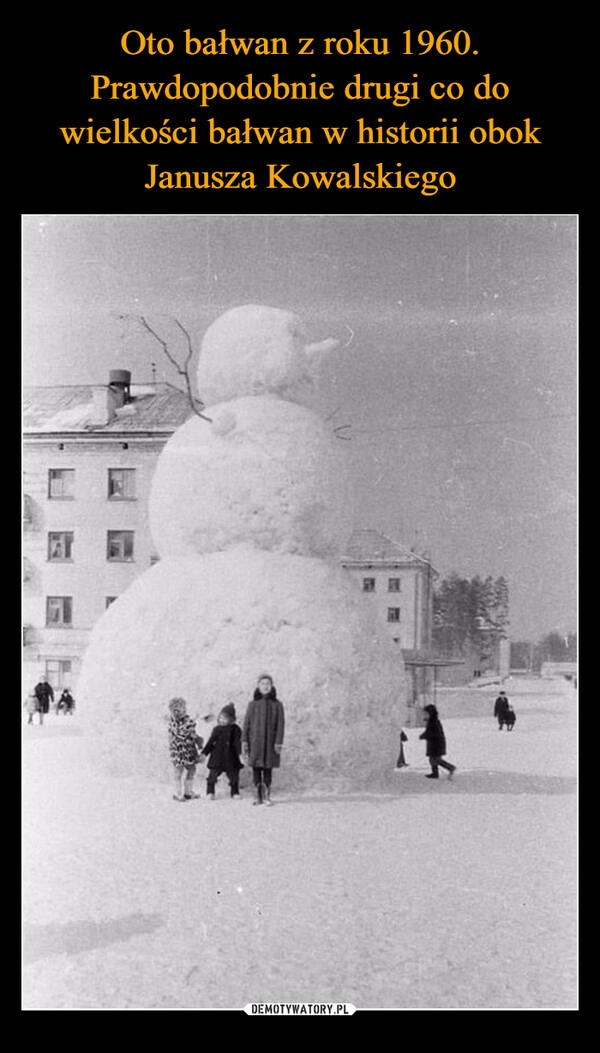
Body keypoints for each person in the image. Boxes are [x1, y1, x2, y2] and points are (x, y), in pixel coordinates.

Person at [242, 674, 285, 806]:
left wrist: (278, 742)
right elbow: (247, 723)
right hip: (255, 742)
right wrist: (244, 740)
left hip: (270, 743)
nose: (265, 686)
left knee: (267, 768)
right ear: (258, 686)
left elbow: (280, 724)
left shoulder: (277, 705)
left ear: (272, 686)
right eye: (262, 684)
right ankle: (257, 795)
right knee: (256, 768)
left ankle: (266, 796)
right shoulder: (252, 704)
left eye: (268, 684)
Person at [202, 704, 244, 799]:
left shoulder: (236, 729)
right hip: (218, 757)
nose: (222, 720)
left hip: (231, 757)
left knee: (234, 776)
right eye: (220, 717)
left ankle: (235, 792)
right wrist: (204, 753)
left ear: (231, 719)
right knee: (213, 775)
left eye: (225, 718)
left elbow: (238, 743)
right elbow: (210, 742)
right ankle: (210, 792)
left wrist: (240, 754)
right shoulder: (217, 729)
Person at [167, 697, 204, 801]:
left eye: (180, 708)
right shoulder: (174, 722)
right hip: (179, 750)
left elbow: (192, 733)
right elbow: (180, 734)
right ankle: (178, 793)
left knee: (192, 769)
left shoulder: (187, 721)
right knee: (179, 771)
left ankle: (188, 792)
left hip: (188, 750)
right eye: (175, 709)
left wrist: (197, 740)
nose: (177, 711)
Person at [419, 704, 457, 780]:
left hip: (436, 744)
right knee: (432, 759)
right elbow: (429, 732)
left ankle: (450, 767)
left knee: (436, 759)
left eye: (426, 713)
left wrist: (424, 736)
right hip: (435, 743)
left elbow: (433, 733)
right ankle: (435, 773)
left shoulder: (433, 722)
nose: (425, 715)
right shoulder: (432, 721)